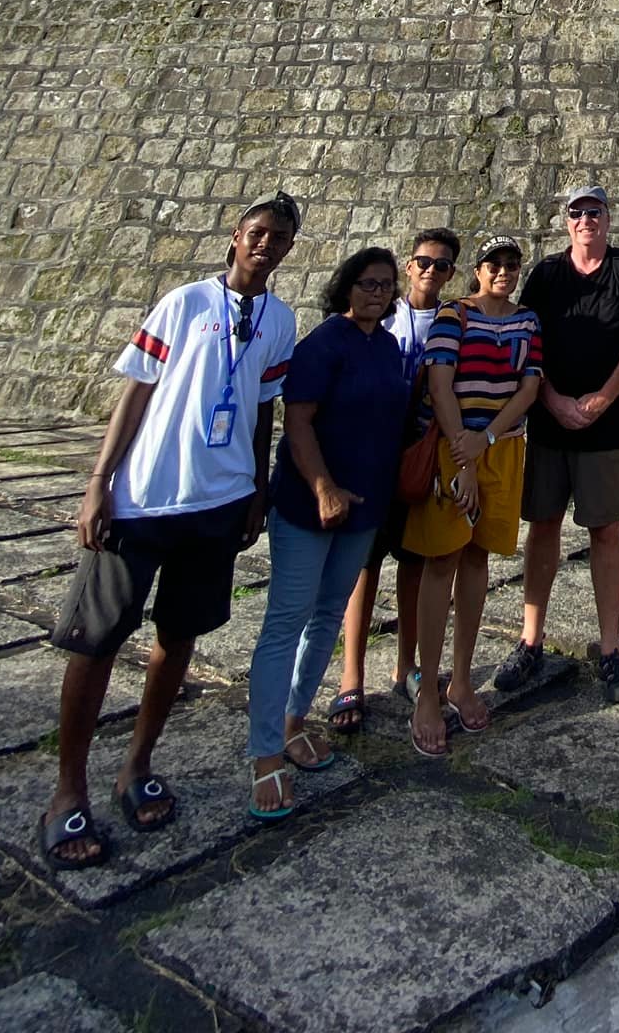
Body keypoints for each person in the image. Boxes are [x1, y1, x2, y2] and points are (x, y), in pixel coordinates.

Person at [40, 192, 302, 869]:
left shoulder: (280, 321)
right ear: (236, 236)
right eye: (258, 232)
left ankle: (138, 763)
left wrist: (257, 489)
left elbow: (263, 408)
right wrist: (100, 481)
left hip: (219, 503)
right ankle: (68, 789)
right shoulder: (185, 303)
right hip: (145, 499)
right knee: (95, 641)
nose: (266, 244)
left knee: (178, 636)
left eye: (279, 237)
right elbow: (136, 391)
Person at [246, 247, 412, 819]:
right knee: (285, 622)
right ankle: (265, 753)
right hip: (308, 507)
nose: (376, 293)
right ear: (345, 287)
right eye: (367, 283)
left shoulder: (386, 347)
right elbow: (297, 423)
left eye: (385, 286)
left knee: (326, 618)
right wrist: (323, 488)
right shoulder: (322, 344)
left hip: (364, 510)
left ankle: (294, 722)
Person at [493, 185, 619, 704]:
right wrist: (554, 399)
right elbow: (526, 340)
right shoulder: (547, 274)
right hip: (549, 424)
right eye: (577, 212)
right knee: (543, 526)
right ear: (567, 222)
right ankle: (530, 639)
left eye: (594, 211)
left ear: (608, 218)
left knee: (605, 531)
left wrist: (603, 399)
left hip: (606, 428)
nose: (586, 220)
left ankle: (611, 647)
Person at [404, 236, 542, 755]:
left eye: (512, 264)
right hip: (453, 447)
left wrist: (487, 440)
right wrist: (465, 456)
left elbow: (529, 387)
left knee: (478, 558)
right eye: (494, 264)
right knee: (442, 561)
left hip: (500, 447)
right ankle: (428, 692)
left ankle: (461, 680)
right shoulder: (454, 315)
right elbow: (440, 385)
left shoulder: (527, 321)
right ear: (478, 271)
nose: (504, 272)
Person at [332, 228, 460, 732]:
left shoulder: (453, 320)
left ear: (451, 273)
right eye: (424, 262)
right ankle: (351, 674)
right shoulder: (382, 316)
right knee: (363, 567)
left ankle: (406, 664)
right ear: (409, 266)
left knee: (414, 564)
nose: (431, 271)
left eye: (442, 265)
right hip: (373, 456)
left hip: (419, 460)